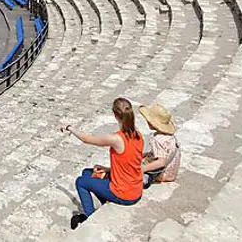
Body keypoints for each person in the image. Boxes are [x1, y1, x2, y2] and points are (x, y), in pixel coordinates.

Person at [63, 98, 143, 230]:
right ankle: (103, 201)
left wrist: (69, 127)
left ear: (115, 115)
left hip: (125, 193)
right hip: (135, 187)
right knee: (88, 173)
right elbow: (130, 162)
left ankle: (89, 217)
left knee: (81, 182)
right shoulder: (138, 135)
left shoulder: (116, 139)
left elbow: (86, 139)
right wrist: (108, 169)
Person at [139, 104, 181, 188]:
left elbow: (161, 162)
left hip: (163, 174)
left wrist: (142, 169)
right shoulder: (170, 136)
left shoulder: (158, 139)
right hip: (171, 172)